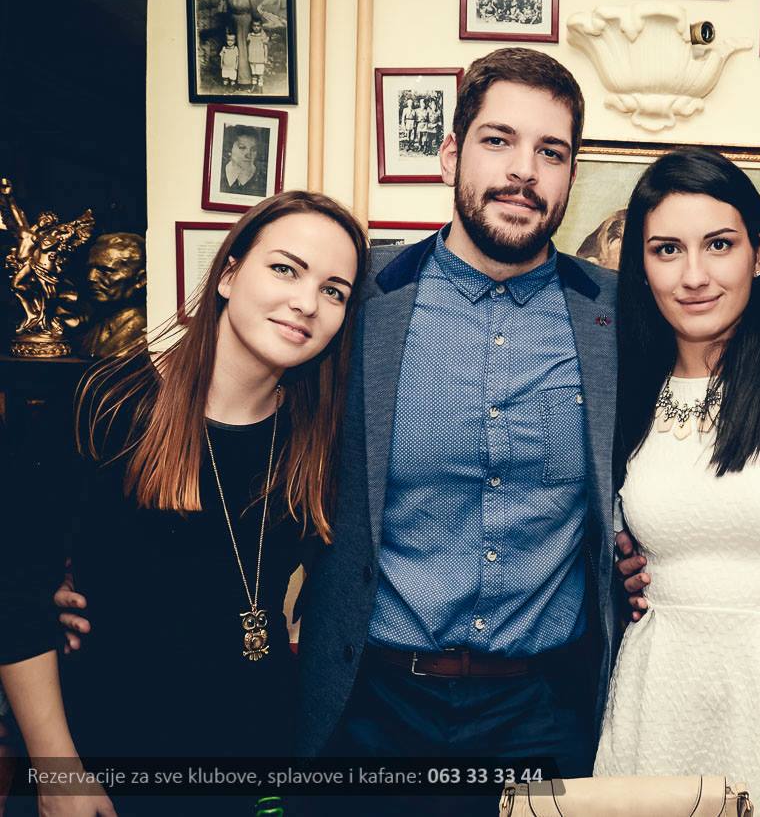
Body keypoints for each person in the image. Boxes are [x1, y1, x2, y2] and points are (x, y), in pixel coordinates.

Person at [294, 47, 622, 817]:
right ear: (451, 154)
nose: (524, 171)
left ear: (571, 175)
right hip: (374, 705)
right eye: (498, 140)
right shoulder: (362, 301)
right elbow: (257, 420)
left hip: (544, 712)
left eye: (551, 152)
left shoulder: (614, 314)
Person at [0, 190, 367, 815]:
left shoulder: (317, 436)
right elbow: (14, 589)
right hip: (113, 762)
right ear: (228, 275)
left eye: (334, 291)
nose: (307, 302)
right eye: (286, 269)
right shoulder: (109, 404)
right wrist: (58, 774)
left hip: (257, 764)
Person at [592, 147, 760, 815]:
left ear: (759, 254)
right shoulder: (621, 391)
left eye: (719, 244)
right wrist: (612, 568)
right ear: (641, 268)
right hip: (659, 699)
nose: (694, 276)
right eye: (667, 250)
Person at [78, 231, 147, 359]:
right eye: (90, 269)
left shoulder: (143, 329)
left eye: (106, 271)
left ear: (141, 279)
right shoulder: (95, 323)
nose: (91, 278)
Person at [220, 128, 266, 197]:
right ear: (229, 149)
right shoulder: (218, 172)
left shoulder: (263, 178)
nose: (248, 155)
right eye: (242, 147)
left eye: (253, 149)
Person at [246, 18, 269, 90]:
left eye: (258, 26)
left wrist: (265, 57)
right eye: (254, 26)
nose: (256, 28)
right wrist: (248, 55)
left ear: (261, 26)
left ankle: (260, 88)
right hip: (252, 58)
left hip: (260, 58)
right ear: (252, 26)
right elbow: (248, 46)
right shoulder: (250, 35)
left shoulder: (263, 35)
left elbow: (265, 47)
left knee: (260, 74)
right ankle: (254, 86)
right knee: (253, 74)